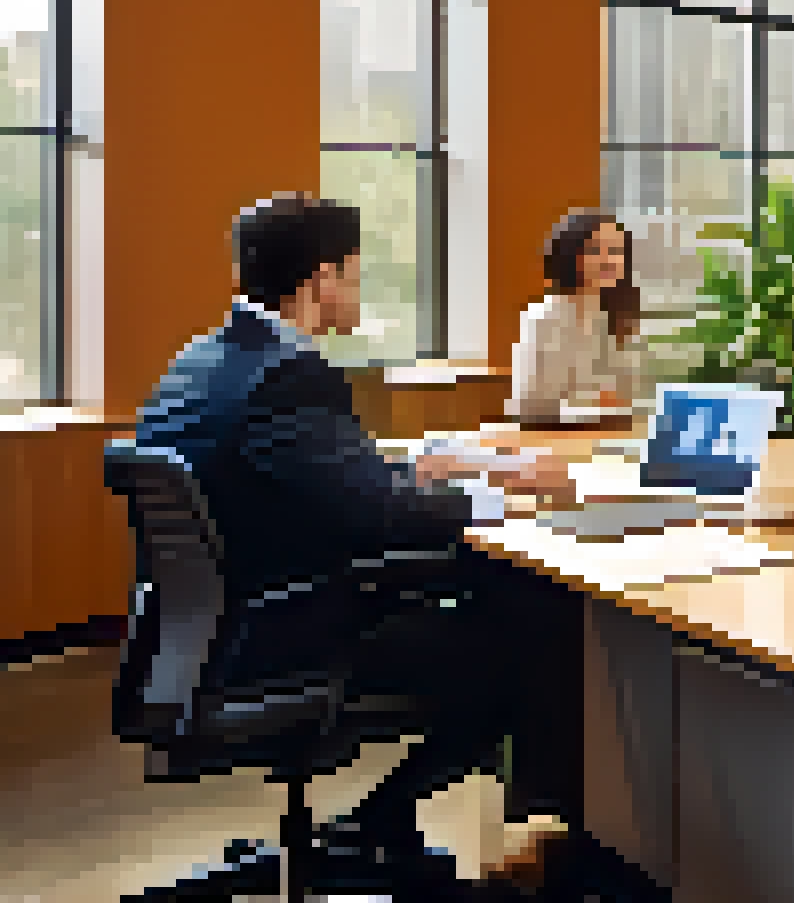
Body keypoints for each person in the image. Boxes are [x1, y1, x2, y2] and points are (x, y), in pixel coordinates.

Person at [133, 193, 580, 888]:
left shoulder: (206, 359)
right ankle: (553, 854)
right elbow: (381, 518)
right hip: (284, 635)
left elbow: (318, 484)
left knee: (495, 618)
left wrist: (412, 471)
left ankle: (380, 826)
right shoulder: (291, 374)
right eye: (354, 273)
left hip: (204, 633)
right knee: (530, 637)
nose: (355, 289)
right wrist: (500, 496)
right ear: (321, 281)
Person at [512, 209, 648, 422]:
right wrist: (598, 404)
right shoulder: (542, 318)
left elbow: (627, 398)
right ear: (571, 255)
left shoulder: (618, 318)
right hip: (548, 439)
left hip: (605, 437)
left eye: (615, 250)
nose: (608, 260)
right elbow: (533, 408)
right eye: (595, 250)